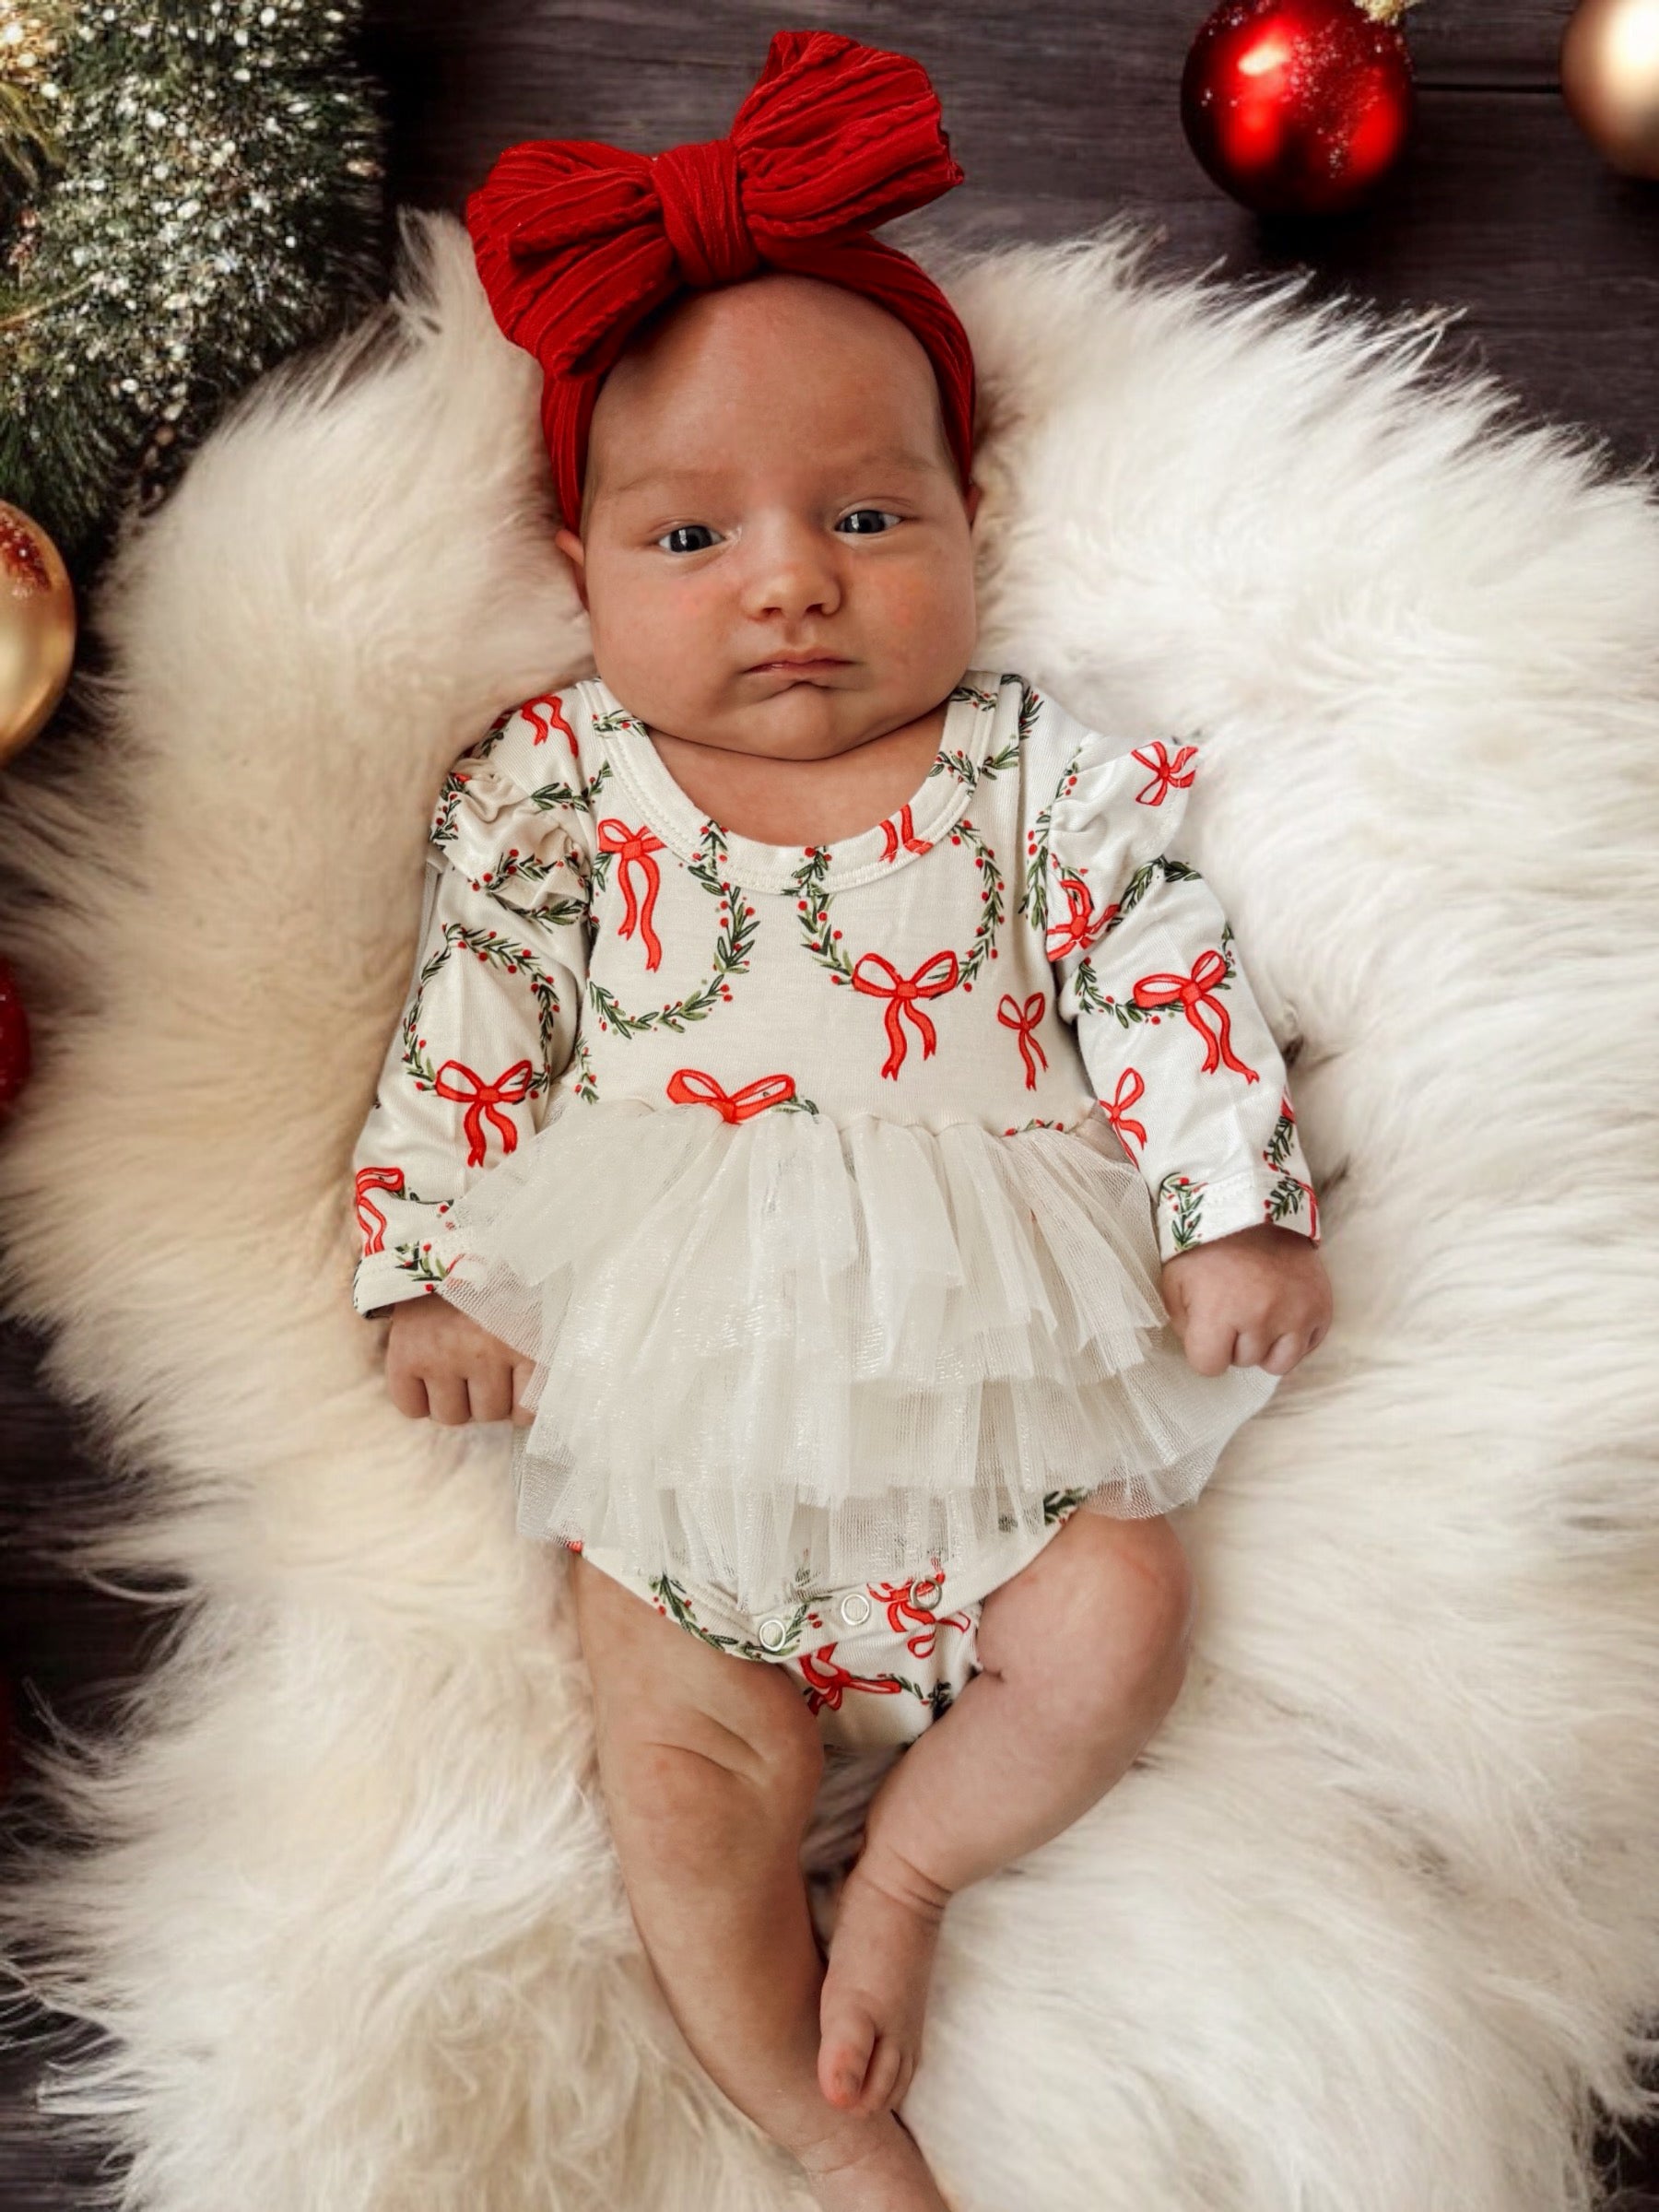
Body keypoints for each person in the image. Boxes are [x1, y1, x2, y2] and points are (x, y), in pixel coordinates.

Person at [348, 31, 1332, 2212]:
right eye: (690, 532)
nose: (787, 580)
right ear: (582, 567)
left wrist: (1225, 1205)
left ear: (972, 527)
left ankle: (909, 1873)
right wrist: (422, 1255)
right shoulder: (558, 784)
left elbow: (1162, 970)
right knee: (678, 1760)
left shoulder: (1028, 771)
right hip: (684, 1415)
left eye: (869, 516)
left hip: (999, 1397)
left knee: (1119, 1619)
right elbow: (471, 1016)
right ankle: (811, 2112)